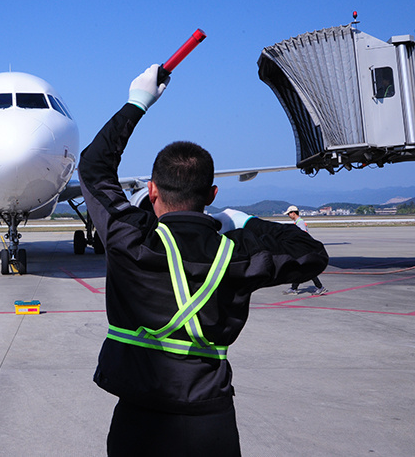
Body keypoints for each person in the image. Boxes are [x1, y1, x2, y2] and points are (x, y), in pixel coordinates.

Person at [78, 64, 329, 456]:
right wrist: (244, 222)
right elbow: (311, 252)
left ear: (152, 190)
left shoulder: (130, 238)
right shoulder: (236, 251)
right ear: (211, 194)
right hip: (209, 423)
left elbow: (94, 167)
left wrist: (136, 103)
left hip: (139, 421)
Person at [282, 205, 328, 295]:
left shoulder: (300, 223)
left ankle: (319, 287)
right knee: (301, 269)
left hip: (303, 250)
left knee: (304, 269)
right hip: (302, 250)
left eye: (289, 214)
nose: (288, 216)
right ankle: (295, 288)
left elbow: (302, 237)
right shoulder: (297, 222)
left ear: (293, 213)